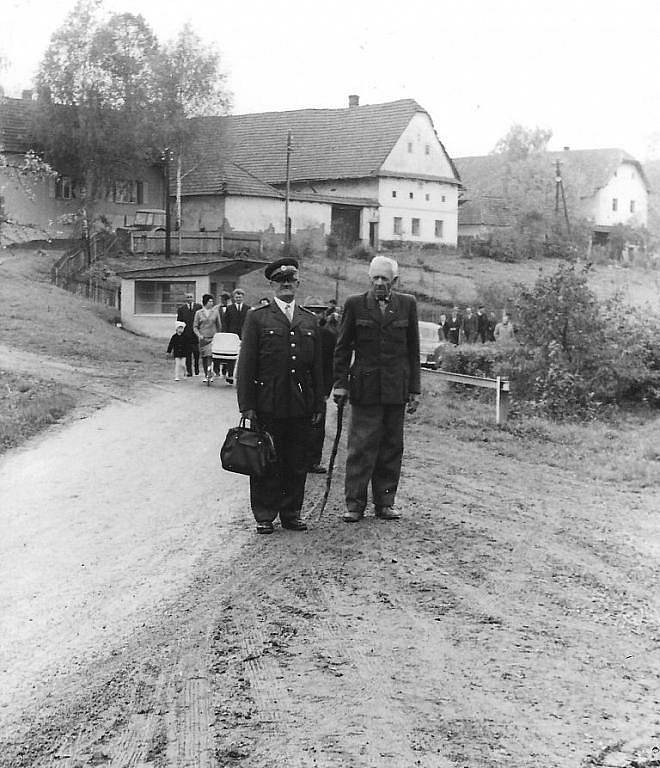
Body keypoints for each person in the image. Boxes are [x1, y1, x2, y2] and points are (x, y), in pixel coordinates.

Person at [236, 257, 324, 535]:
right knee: (266, 460)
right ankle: (264, 514)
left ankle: (291, 513)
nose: (286, 285)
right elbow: (247, 365)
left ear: (297, 283)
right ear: (272, 284)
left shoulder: (309, 320)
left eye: (291, 280)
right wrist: (247, 405)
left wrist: (318, 401)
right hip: (267, 403)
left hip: (300, 403)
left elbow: (317, 368)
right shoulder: (258, 318)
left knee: (296, 461)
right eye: (280, 281)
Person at [333, 255, 420, 523]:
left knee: (392, 447)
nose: (380, 283)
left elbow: (413, 351)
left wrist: (414, 389)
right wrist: (340, 384)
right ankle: (354, 504)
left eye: (385, 278)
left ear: (395, 280)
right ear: (369, 279)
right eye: (376, 278)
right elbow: (342, 348)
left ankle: (385, 502)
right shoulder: (355, 305)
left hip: (396, 389)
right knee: (361, 447)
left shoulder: (407, 305)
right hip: (365, 389)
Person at [303, 296, 337, 474]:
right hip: (299, 386)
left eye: (319, 312)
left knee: (317, 424)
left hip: (319, 386)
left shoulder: (329, 336)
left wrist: (326, 390)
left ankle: (313, 461)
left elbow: (332, 365)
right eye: (311, 311)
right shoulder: (298, 331)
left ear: (325, 314)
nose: (315, 315)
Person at [220, 287, 250, 384]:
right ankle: (230, 374)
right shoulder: (229, 309)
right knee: (231, 356)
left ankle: (240, 375)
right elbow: (225, 322)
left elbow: (249, 323)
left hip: (244, 336)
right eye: (236, 297)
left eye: (240, 297)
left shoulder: (248, 309)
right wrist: (225, 334)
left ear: (243, 297)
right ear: (234, 298)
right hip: (231, 336)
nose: (238, 299)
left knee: (242, 356)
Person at [193, 294, 222, 382]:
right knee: (204, 357)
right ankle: (206, 374)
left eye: (212, 301)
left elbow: (219, 325)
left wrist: (217, 335)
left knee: (210, 356)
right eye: (210, 301)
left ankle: (210, 373)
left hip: (212, 338)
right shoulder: (198, 313)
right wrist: (199, 335)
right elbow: (195, 326)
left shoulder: (215, 312)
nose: (211, 303)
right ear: (205, 302)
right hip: (203, 338)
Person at [176, 293, 202, 376]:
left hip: (196, 334)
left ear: (193, 298)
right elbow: (179, 322)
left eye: (191, 297)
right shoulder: (181, 309)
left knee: (196, 352)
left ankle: (197, 369)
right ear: (185, 299)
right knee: (188, 353)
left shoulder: (198, 307)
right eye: (188, 297)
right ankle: (189, 371)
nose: (189, 298)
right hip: (186, 335)